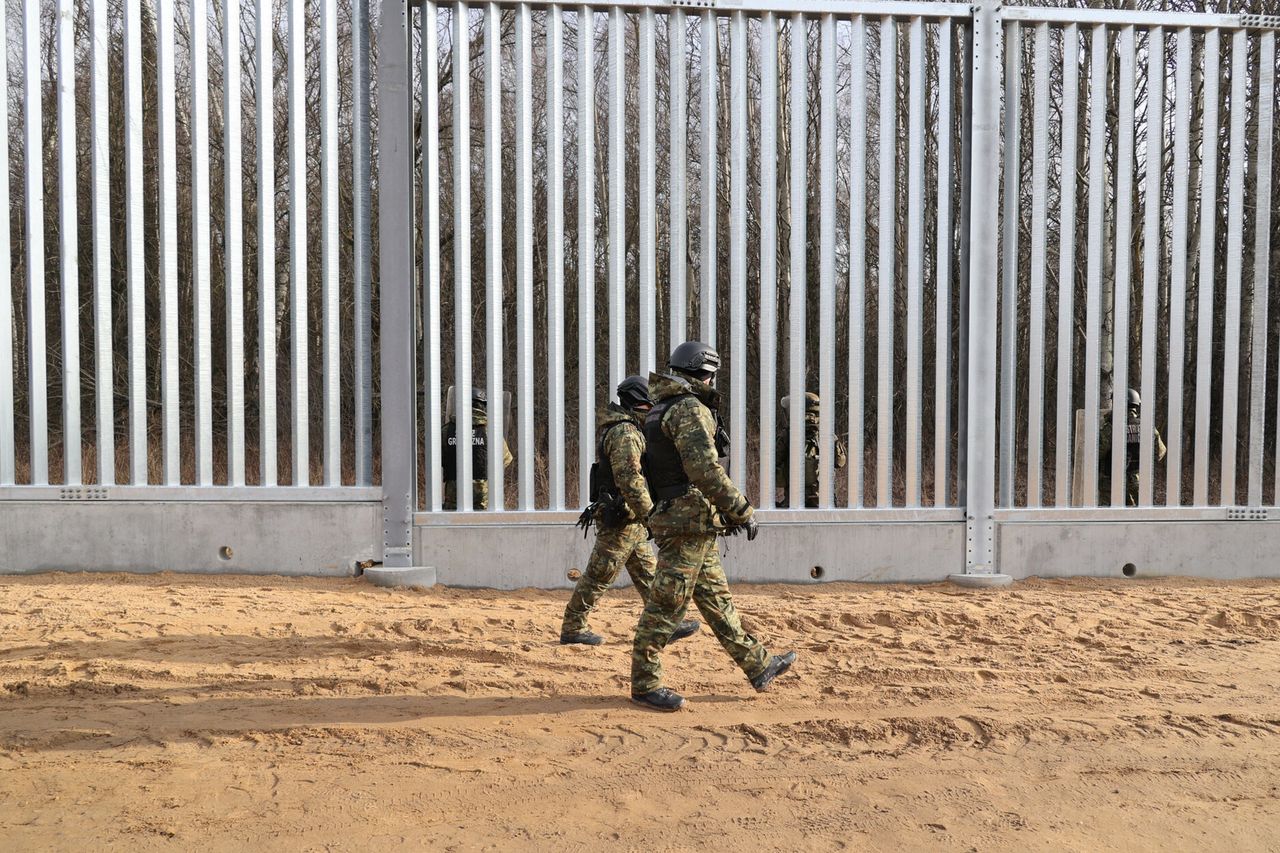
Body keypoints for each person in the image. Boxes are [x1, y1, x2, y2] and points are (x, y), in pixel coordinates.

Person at [631, 341, 797, 712]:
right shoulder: (688, 408)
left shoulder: (664, 406)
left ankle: (758, 664)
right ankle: (645, 683)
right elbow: (704, 469)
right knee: (666, 605)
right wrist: (740, 509)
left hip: (691, 521)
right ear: (705, 372)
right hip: (685, 522)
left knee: (717, 601)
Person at [560, 376, 700, 646]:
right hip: (621, 518)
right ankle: (573, 626)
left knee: (649, 574)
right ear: (641, 403)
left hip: (631, 519)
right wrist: (652, 515)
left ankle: (666, 624)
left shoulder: (628, 429)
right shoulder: (625, 433)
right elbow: (631, 482)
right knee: (600, 575)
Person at [442, 388, 513, 510]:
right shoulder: (491, 431)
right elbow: (505, 460)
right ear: (483, 406)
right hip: (483, 501)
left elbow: (438, 460)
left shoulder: (446, 431)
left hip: (454, 499)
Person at [776, 391, 847, 508]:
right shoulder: (827, 433)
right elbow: (840, 462)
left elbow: (774, 462)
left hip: (795, 500)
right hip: (823, 500)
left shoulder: (788, 434)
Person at [1099, 388, 1167, 506]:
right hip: (1138, 480)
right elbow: (1161, 451)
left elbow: (1098, 452)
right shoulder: (1147, 427)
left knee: (1111, 517)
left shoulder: (1112, 427)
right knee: (1139, 517)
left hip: (1112, 481)